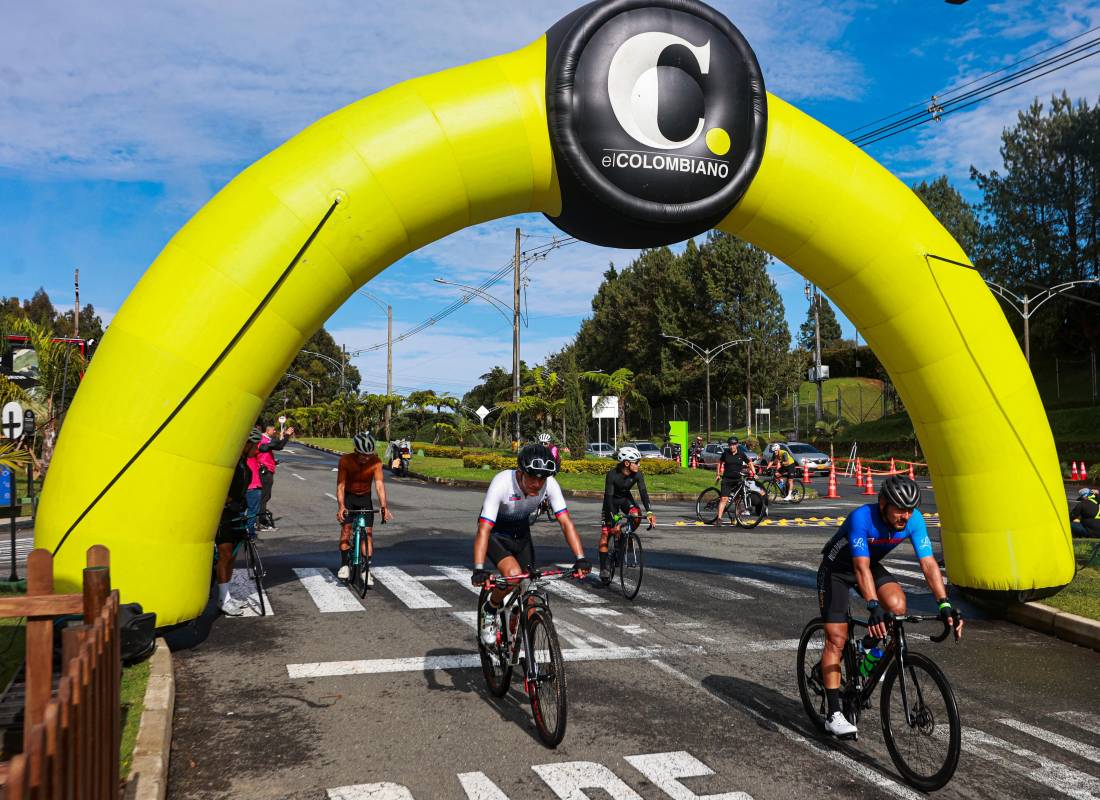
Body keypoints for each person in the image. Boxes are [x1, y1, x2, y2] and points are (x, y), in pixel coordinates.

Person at [815, 475, 962, 737]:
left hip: (868, 565)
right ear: (883, 503)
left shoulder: (915, 520)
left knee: (896, 606)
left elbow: (928, 564)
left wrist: (944, 603)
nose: (905, 516)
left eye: (909, 510)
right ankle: (833, 714)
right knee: (836, 639)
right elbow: (859, 568)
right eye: (899, 509)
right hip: (838, 570)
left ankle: (864, 649)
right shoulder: (863, 518)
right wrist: (872, 606)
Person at [471, 444, 591, 646]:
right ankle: (490, 608)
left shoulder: (549, 484)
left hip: (521, 536)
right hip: (496, 535)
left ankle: (525, 649)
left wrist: (580, 559)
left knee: (531, 595)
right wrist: (479, 569)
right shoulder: (501, 483)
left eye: (542, 479)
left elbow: (566, 522)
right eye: (532, 478)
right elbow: (483, 529)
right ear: (520, 473)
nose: (537, 484)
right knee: (512, 575)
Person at [336, 431, 394, 584]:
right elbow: (341, 485)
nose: (366, 458)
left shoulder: (375, 462)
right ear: (356, 450)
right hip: (349, 497)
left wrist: (384, 506)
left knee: (368, 533)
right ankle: (344, 565)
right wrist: (341, 506)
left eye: (368, 455)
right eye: (362, 455)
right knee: (346, 530)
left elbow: (379, 485)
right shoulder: (345, 461)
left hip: (365, 499)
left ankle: (365, 569)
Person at [215, 432, 262, 616]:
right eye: (255, 446)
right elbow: (217, 486)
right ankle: (223, 599)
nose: (257, 450)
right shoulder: (231, 465)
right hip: (224, 514)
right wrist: (228, 501)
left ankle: (226, 595)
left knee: (233, 555)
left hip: (237, 513)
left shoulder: (244, 465)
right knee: (225, 554)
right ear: (245, 445)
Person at [599, 445, 656, 583]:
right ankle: (604, 568)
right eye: (636, 462)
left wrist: (649, 512)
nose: (639, 464)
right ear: (626, 463)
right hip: (611, 502)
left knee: (636, 515)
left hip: (625, 499)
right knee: (607, 534)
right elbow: (608, 498)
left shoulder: (637, 474)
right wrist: (615, 521)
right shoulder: (612, 475)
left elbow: (643, 492)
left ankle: (625, 535)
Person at [257, 423, 295, 531]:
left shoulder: (265, 439)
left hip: (266, 469)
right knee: (264, 497)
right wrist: (287, 435)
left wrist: (273, 461)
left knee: (264, 497)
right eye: (273, 430)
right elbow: (279, 446)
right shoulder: (264, 440)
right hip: (265, 471)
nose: (275, 432)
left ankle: (259, 520)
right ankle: (261, 521)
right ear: (267, 430)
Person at [714, 436, 754, 525]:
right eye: (730, 445)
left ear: (737, 445)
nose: (732, 447)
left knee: (737, 500)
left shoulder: (741, 454)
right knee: (724, 499)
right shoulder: (725, 453)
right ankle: (719, 519)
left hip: (737, 480)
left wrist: (754, 473)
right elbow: (719, 463)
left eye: (734, 445)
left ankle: (738, 519)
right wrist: (718, 474)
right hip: (727, 479)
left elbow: (749, 463)